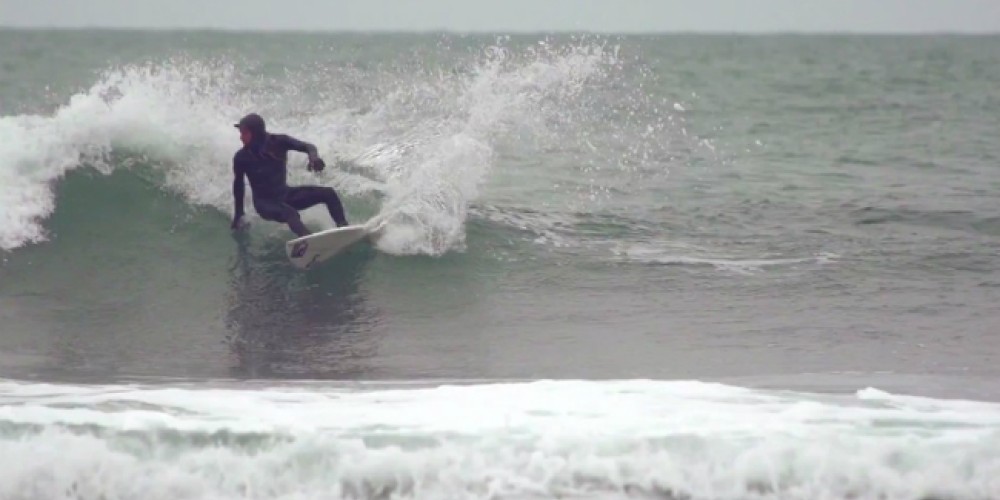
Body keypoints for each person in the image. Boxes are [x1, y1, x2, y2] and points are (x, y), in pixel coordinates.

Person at [230, 113, 350, 237]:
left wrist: (313, 157)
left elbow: (307, 146)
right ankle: (308, 241)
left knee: (328, 193)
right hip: (264, 203)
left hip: (285, 195)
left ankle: (345, 230)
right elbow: (238, 185)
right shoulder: (241, 158)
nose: (241, 137)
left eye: (244, 133)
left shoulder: (279, 142)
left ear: (255, 133)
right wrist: (239, 214)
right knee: (290, 213)